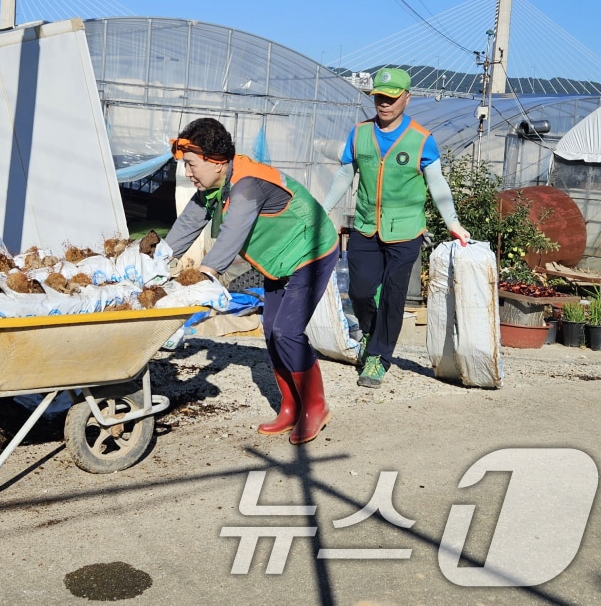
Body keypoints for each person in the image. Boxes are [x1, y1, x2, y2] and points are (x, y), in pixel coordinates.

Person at [165, 118, 339, 445]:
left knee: (287, 331)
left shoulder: (247, 186)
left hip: (311, 250)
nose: (187, 172)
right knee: (273, 333)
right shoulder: (214, 186)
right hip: (279, 261)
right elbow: (188, 223)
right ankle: (290, 407)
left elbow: (231, 237)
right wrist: (151, 259)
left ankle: (315, 407)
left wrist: (206, 275)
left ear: (217, 162)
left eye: (191, 165)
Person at [322, 67, 470, 389]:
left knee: (393, 295)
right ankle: (371, 333)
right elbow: (346, 174)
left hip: (405, 232)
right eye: (378, 97)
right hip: (365, 227)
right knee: (360, 291)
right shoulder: (359, 133)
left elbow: (438, 185)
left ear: (407, 98)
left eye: (390, 98)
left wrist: (453, 224)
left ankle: (378, 355)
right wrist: (325, 209)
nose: (383, 103)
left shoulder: (421, 140)